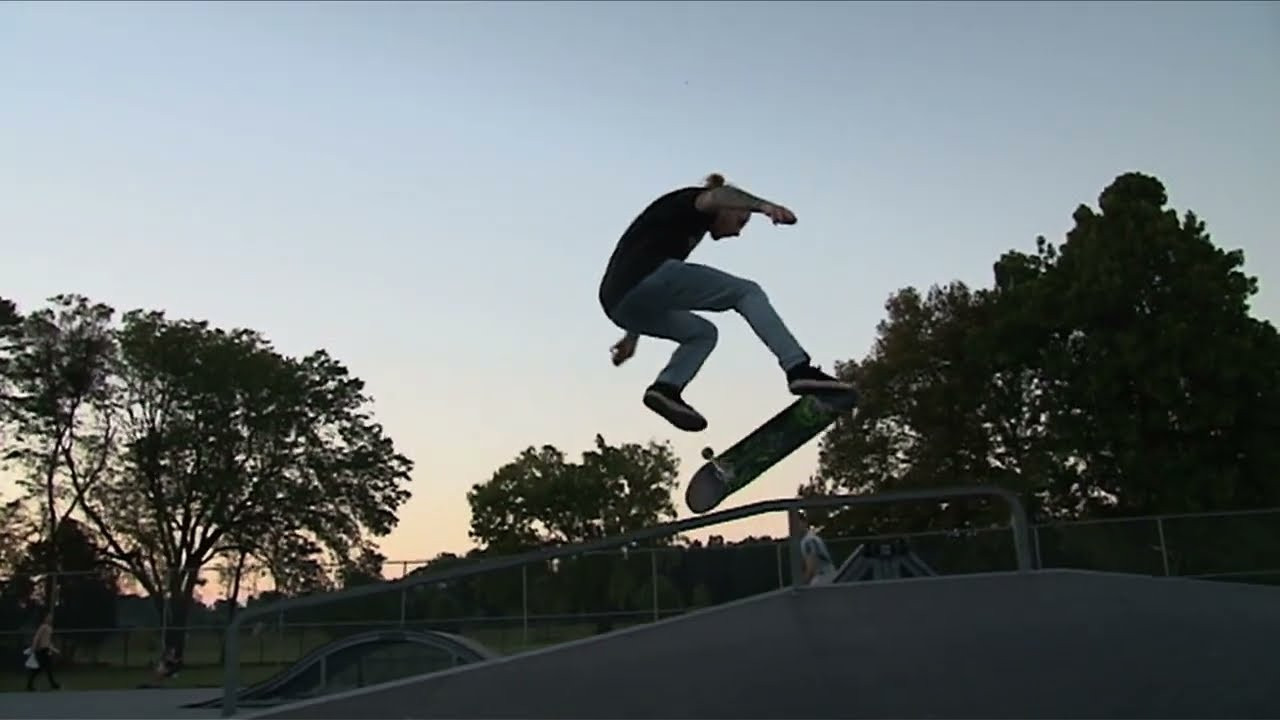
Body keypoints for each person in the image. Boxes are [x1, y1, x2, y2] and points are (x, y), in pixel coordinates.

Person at [600, 173, 854, 431]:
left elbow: (644, 282)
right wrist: (765, 207)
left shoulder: (680, 230)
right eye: (740, 221)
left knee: (703, 333)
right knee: (746, 292)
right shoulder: (695, 203)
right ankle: (798, 368)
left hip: (619, 302)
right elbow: (719, 195)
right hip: (644, 277)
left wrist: (632, 336)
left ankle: (666, 388)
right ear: (727, 208)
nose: (737, 232)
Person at [798, 513, 837, 585]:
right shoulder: (807, 539)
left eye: (798, 523)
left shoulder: (809, 540)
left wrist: (801, 585)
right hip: (826, 577)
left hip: (823, 578)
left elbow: (811, 566)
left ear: (805, 523)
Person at [25, 611, 60, 691]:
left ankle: (52, 684)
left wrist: (53, 649)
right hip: (40, 650)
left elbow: (48, 641)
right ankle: (30, 685)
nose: (50, 618)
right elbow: (37, 637)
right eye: (48, 617)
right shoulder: (43, 627)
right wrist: (33, 647)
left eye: (51, 617)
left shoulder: (50, 628)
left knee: (45, 668)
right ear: (45, 618)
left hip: (46, 650)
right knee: (42, 668)